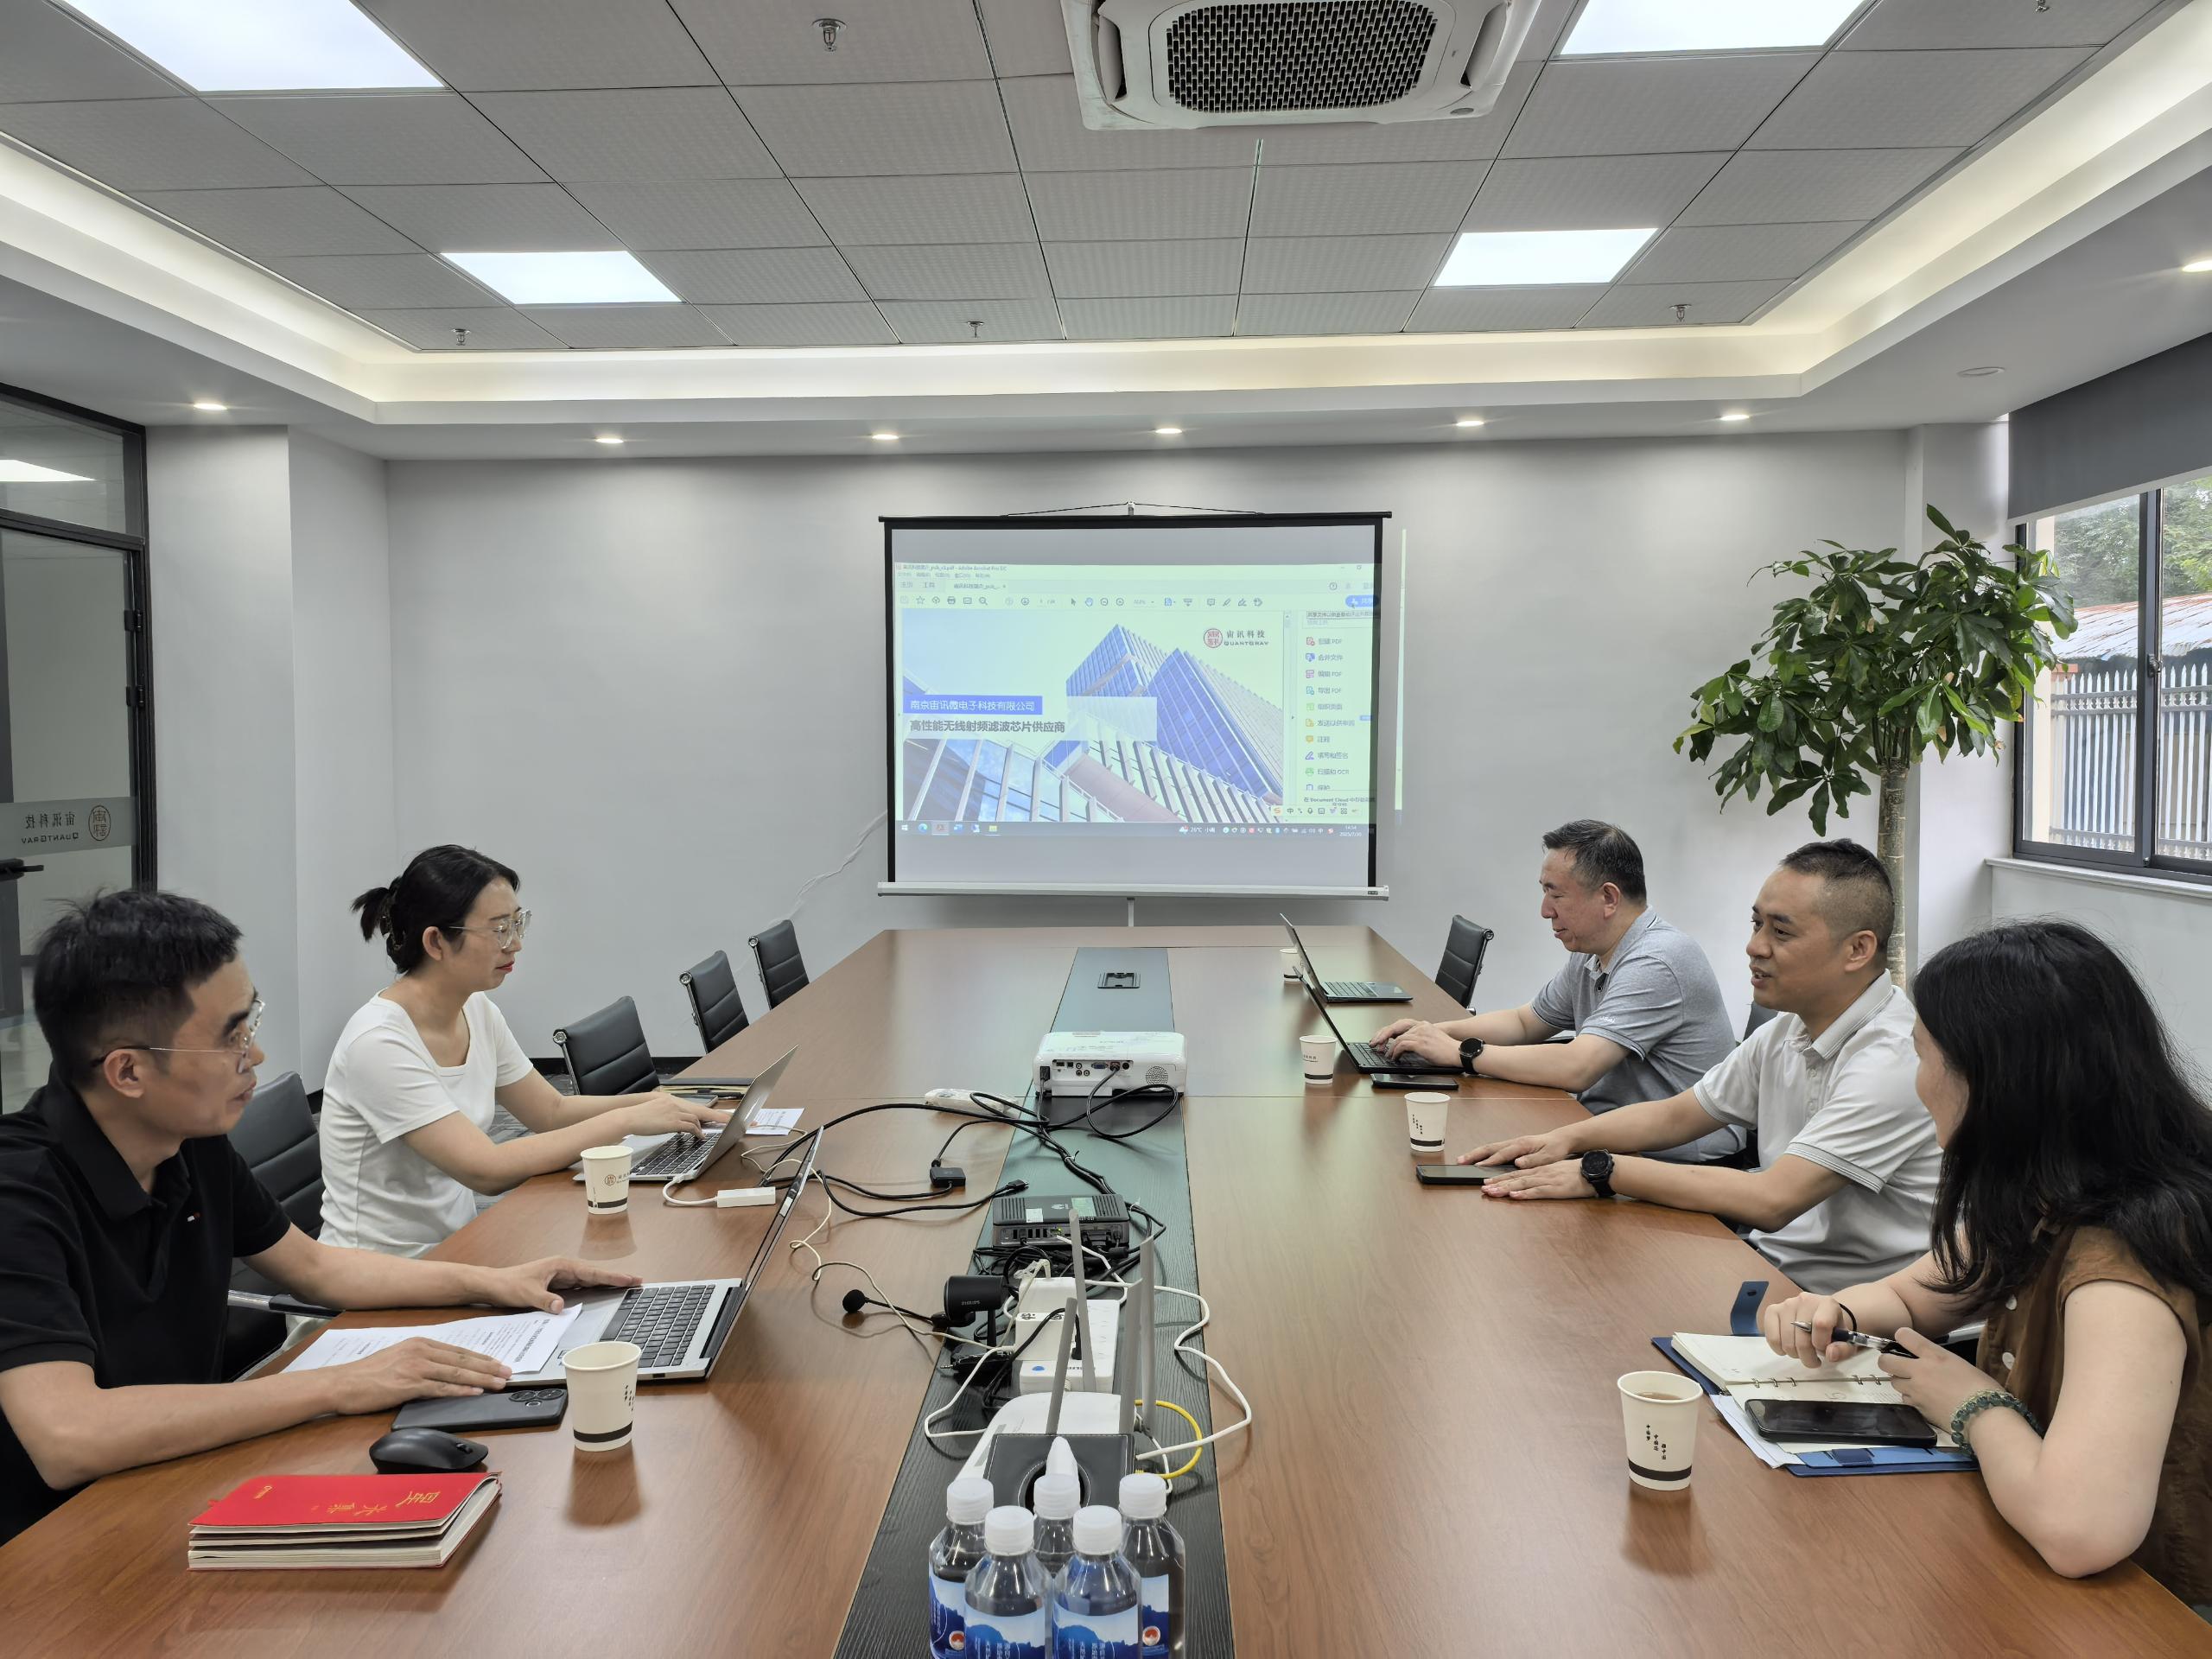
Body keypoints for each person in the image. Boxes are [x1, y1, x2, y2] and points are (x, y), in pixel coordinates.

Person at [0, 890, 640, 1546]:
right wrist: (341, 1384)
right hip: (56, 1544)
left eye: (251, 1025)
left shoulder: (187, 1142)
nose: (255, 1057)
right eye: (231, 1038)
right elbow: (68, 1436)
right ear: (128, 1071)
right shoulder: (19, 1195)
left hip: (173, 1480)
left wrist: (493, 1282)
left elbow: (315, 1267)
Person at [1764, 920, 2212, 1611]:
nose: (1918, 1084)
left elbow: (2080, 1530)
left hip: (2156, 1608)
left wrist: (1971, 1403)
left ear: (1996, 1083)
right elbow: (1919, 1296)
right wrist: (1840, 1310)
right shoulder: (2053, 1191)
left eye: (1923, 1056)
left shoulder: (2123, 1264)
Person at [1462, 839, 1940, 1296]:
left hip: (1850, 1311)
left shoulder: (1893, 1058)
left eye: (1781, 932)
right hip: (1769, 1272)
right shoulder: (1788, 1030)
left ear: (1857, 950)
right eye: (1756, 924)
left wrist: (1602, 1170)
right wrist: (1563, 1140)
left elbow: (1772, 1200)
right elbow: (1677, 1115)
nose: (1755, 947)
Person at [320, 845, 724, 1258]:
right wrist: (628, 1120)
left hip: (455, 1250)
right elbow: (487, 1171)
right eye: (499, 929)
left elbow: (550, 1111)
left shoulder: (476, 1010)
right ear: (436, 941)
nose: (515, 945)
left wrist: (657, 1104)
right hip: (377, 1274)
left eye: (518, 923)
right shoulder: (379, 1044)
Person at [1373, 820, 1740, 1161]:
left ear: (1609, 898)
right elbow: (1525, 1022)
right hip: (1607, 1134)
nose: (1545, 911)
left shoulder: (1657, 961)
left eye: (1556, 894)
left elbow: (1577, 1068)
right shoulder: (1593, 951)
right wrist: (1433, 1033)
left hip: (1679, 1160)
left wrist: (1460, 1053)